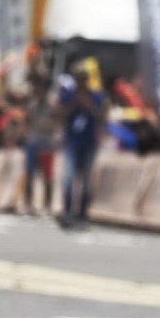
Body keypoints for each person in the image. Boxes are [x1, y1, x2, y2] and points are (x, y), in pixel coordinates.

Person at [58, 57, 105, 228]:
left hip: (88, 142)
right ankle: (67, 212)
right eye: (78, 78)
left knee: (85, 179)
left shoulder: (96, 96)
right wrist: (74, 103)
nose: (81, 81)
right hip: (71, 141)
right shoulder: (68, 95)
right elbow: (60, 115)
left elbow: (101, 117)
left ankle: (82, 213)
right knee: (69, 177)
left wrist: (89, 105)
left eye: (83, 78)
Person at [20, 75, 63, 215]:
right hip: (33, 142)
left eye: (41, 89)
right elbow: (26, 121)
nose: (39, 92)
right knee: (29, 174)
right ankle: (28, 204)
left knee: (47, 176)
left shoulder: (53, 105)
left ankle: (47, 205)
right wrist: (25, 135)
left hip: (47, 144)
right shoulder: (32, 105)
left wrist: (56, 137)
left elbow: (58, 123)